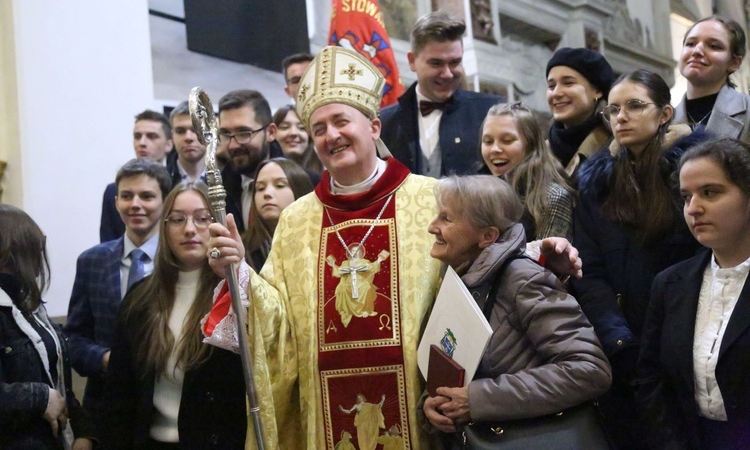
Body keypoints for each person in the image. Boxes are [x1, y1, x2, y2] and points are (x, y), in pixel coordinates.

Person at [202, 46, 585, 449]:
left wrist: (539, 253)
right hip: (325, 417)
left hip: (424, 412)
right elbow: (278, 321)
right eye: (318, 128)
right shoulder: (296, 219)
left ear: (373, 127)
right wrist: (239, 274)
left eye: (340, 121)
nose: (331, 135)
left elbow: (486, 264)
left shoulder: (434, 198)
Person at [422, 175, 611, 445]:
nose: (432, 227)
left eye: (446, 219)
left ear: (487, 236)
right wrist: (434, 403)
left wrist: (477, 400)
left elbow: (589, 369)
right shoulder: (459, 277)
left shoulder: (524, 278)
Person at [572, 69, 706, 447]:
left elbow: (704, 257)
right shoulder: (596, 181)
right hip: (622, 344)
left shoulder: (694, 172)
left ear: (664, 114)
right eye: (613, 110)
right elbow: (589, 269)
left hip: (684, 337)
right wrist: (618, 338)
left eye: (634, 106)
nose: (621, 117)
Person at [102, 182, 246, 448]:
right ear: (164, 228)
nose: (190, 229)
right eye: (177, 219)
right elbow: (119, 395)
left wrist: (238, 274)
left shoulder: (235, 291)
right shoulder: (140, 297)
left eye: (202, 219)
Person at [637, 138, 750, 449]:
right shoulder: (670, 283)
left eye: (710, 192)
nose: (693, 208)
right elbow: (651, 380)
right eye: (686, 197)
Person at [65, 159, 172, 434]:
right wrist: (106, 359)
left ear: (165, 201)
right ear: (116, 202)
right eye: (127, 196)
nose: (135, 204)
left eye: (147, 196)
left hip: (168, 409)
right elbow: (74, 339)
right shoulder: (92, 261)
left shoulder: (179, 261)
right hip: (106, 409)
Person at [0, 205, 96, 449]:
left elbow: (58, 382)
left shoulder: (28, 305)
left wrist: (84, 433)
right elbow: (48, 394)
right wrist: (40, 398)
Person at [380, 11, 500, 177]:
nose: (447, 74)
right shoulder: (384, 124)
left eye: (455, 62)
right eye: (436, 63)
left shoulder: (491, 113)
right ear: (412, 61)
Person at [479, 102, 575, 241]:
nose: (495, 149)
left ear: (530, 145)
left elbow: (545, 261)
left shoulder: (552, 198)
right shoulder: (477, 195)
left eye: (507, 141)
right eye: (488, 141)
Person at [100, 110, 175, 242]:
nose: (142, 143)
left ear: (168, 144)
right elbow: (108, 244)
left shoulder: (178, 189)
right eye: (137, 136)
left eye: (151, 136)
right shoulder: (113, 190)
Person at [673, 15, 750, 142]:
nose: (697, 51)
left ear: (734, 63)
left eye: (714, 46)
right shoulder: (664, 121)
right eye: (690, 44)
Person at [546, 47, 615, 176]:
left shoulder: (615, 146)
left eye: (568, 83)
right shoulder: (538, 152)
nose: (556, 93)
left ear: (598, 91)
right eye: (551, 86)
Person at [241, 157, 314, 271]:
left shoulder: (320, 241)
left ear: (300, 191)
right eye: (260, 188)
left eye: (280, 185)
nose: (267, 193)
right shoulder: (242, 249)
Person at [217, 89, 274, 233]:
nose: (233, 145)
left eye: (243, 133)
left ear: (271, 132)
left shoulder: (304, 184)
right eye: (225, 134)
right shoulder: (216, 191)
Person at [267, 105, 324, 174]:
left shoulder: (327, 176)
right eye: (285, 127)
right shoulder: (261, 174)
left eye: (301, 128)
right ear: (272, 133)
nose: (293, 133)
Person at [169, 101, 207, 184]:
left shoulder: (229, 180)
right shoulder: (161, 181)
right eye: (180, 131)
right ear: (172, 136)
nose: (188, 137)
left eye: (196, 130)